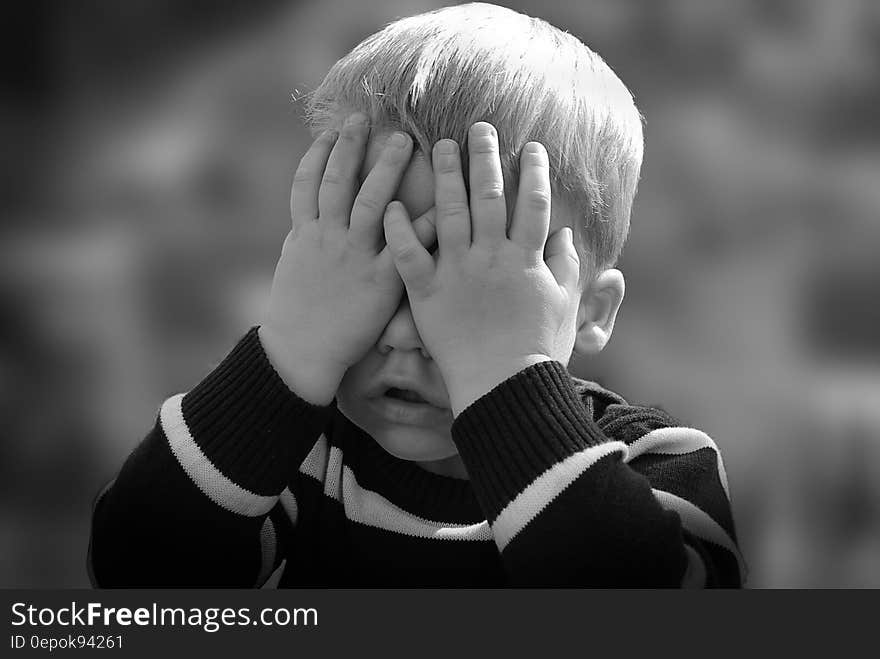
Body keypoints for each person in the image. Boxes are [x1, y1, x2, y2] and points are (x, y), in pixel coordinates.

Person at [88, 2, 744, 587]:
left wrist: (506, 377)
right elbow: (135, 578)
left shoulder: (653, 462)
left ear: (592, 310)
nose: (405, 330)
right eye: (373, 268)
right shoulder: (293, 459)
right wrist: (285, 356)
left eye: (476, 285)